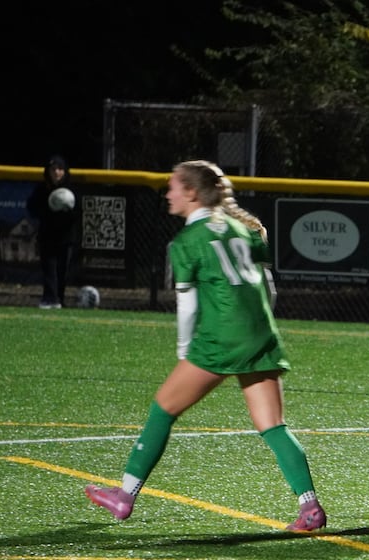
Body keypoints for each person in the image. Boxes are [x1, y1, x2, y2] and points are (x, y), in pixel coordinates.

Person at [85, 160, 327, 531]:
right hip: (260, 334)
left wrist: (185, 351)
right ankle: (309, 507)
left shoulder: (186, 241)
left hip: (220, 340)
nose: (168, 194)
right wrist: (254, 326)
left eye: (174, 187)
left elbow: (188, 306)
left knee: (163, 409)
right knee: (273, 425)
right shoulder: (244, 231)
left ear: (192, 193)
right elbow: (270, 289)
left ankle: (125, 495)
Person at [26, 155, 77, 308]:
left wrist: (66, 211)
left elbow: (77, 213)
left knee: (62, 270)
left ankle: (59, 299)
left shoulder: (71, 190)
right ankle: (50, 299)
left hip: (66, 237)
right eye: (53, 169)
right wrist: (47, 209)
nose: (56, 172)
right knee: (49, 268)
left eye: (60, 169)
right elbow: (32, 208)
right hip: (47, 236)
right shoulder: (42, 189)